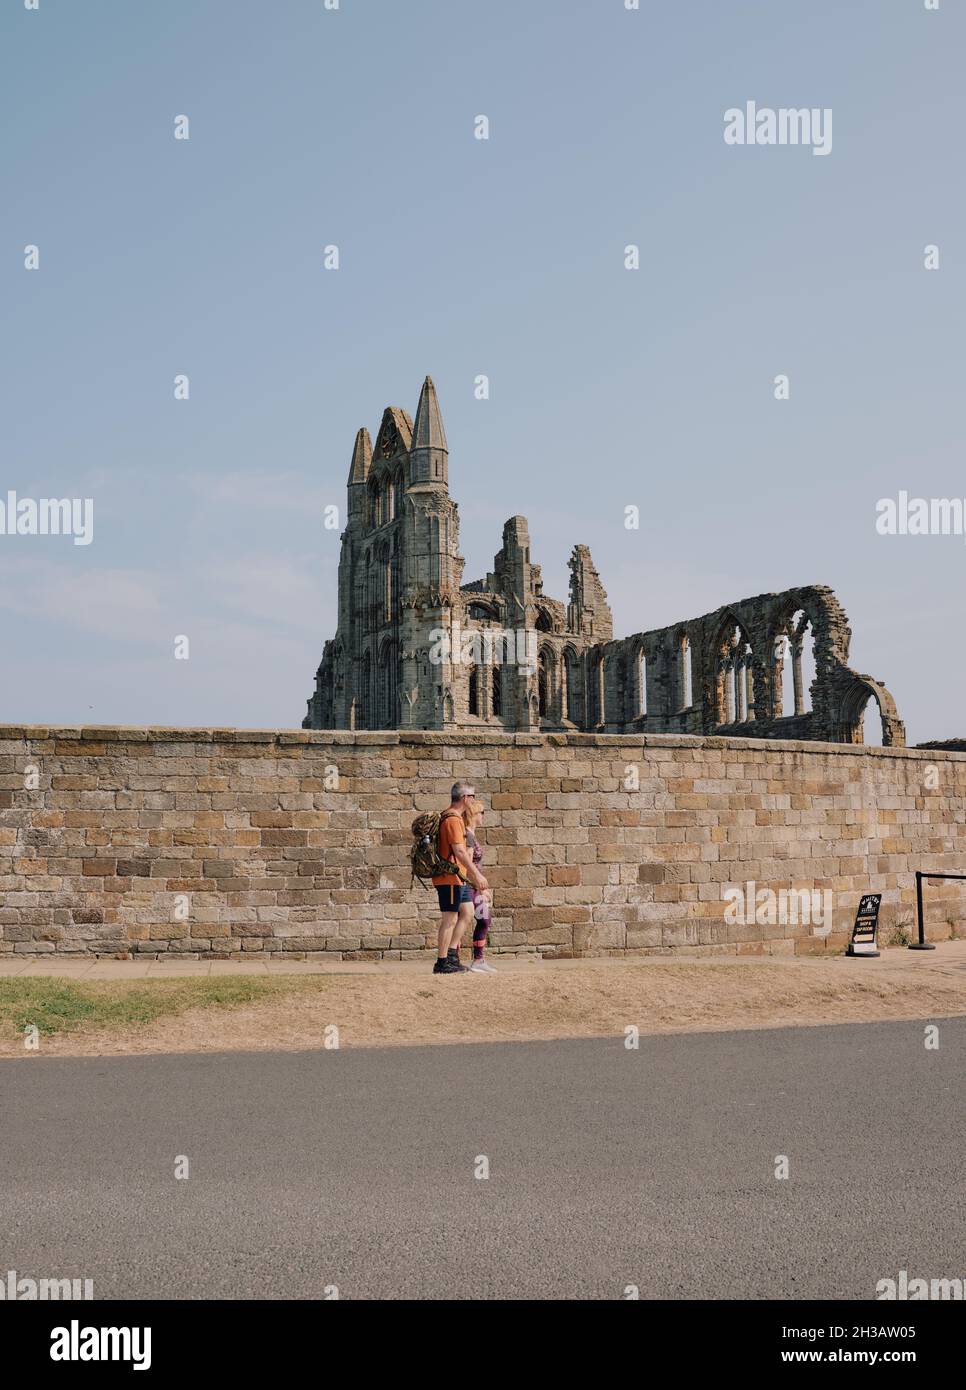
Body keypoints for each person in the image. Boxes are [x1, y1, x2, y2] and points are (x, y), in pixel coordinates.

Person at [431, 781, 488, 975]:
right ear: (465, 798)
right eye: (472, 796)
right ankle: (442, 962)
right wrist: (477, 875)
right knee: (450, 919)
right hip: (449, 877)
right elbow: (460, 852)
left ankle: (452, 956)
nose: (474, 799)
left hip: (457, 878)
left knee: (468, 912)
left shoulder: (455, 818)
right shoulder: (453, 819)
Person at [462, 799, 496, 973]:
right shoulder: (468, 836)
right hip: (469, 887)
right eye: (482, 812)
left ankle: (478, 959)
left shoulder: (471, 835)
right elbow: (468, 864)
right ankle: (474, 960)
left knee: (484, 920)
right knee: (478, 920)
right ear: (474, 815)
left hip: (474, 886)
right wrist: (481, 887)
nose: (483, 816)